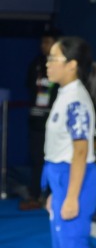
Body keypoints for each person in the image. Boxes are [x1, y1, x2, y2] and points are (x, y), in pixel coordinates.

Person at [32, 36, 96, 248]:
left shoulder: (75, 99)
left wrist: (72, 195)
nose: (48, 65)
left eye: (53, 59)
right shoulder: (64, 94)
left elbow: (78, 150)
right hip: (62, 179)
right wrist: (56, 193)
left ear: (72, 65)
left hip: (77, 178)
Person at [20, 28, 59, 211]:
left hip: (54, 123)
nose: (43, 45)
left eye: (47, 41)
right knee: (37, 159)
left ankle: (54, 196)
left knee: (54, 159)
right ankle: (35, 196)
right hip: (35, 121)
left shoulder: (61, 67)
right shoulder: (35, 64)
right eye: (42, 42)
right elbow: (31, 89)